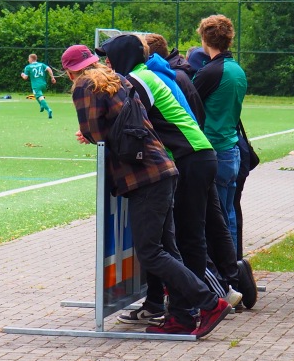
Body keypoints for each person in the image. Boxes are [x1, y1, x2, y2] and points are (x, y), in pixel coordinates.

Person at [61, 44, 231, 337]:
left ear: (69, 71)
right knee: (168, 249)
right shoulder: (120, 79)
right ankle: (182, 317)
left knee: (151, 252)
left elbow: (96, 133)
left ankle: (209, 303)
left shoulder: (84, 86)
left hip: (143, 175)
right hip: (163, 168)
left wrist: (86, 135)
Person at [95, 34, 243, 324]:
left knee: (189, 237)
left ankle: (198, 307)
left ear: (124, 56)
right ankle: (184, 307)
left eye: (109, 57)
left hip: (190, 156)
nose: (106, 63)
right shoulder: (147, 74)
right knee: (185, 237)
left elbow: (132, 127)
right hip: (196, 154)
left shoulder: (138, 80)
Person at [192, 14, 247, 251]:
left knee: (216, 220)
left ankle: (224, 273)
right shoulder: (237, 70)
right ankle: (233, 267)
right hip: (231, 149)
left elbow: (188, 104)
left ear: (205, 39)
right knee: (229, 215)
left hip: (214, 149)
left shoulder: (211, 71)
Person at [20, 54, 55, 118]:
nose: (28, 60)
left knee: (40, 97)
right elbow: (49, 69)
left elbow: (25, 77)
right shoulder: (41, 64)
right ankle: (41, 105)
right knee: (35, 94)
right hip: (44, 84)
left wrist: (22, 74)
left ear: (31, 59)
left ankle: (48, 109)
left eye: (29, 59)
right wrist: (52, 77)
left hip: (36, 85)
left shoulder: (28, 67)